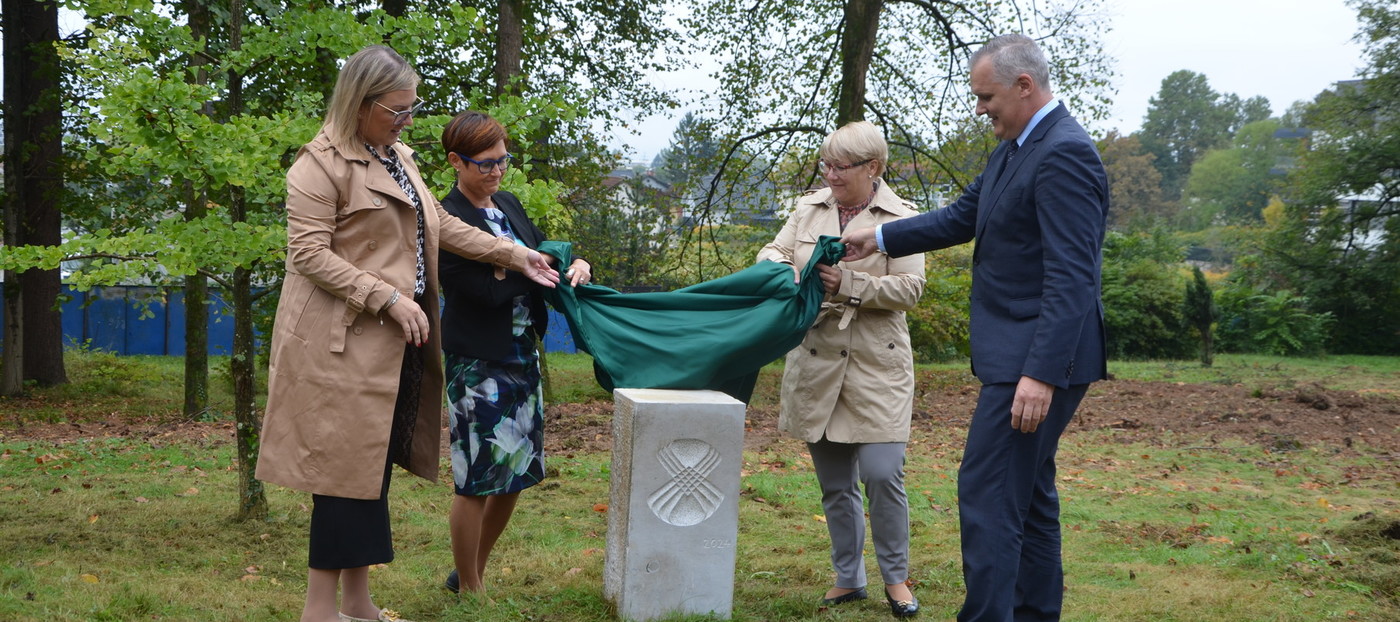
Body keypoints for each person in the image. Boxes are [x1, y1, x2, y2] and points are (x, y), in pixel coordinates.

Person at [255, 46, 558, 622]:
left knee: (368, 469)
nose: (408, 120)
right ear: (360, 103)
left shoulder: (396, 156)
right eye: (397, 110)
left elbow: (438, 224)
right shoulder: (318, 166)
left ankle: (358, 603)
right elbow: (307, 254)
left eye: (411, 107)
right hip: (340, 344)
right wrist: (388, 297)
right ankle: (319, 612)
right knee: (340, 475)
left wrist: (515, 254)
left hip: (391, 342)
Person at [842, 34, 1108, 621]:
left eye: (987, 97)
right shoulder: (1014, 149)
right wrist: (879, 237)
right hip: (1017, 355)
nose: (981, 108)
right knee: (1028, 495)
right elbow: (962, 216)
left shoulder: (1064, 153)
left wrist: (1040, 374)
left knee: (987, 492)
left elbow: (1073, 277)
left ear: (1024, 86)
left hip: (1035, 361)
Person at [757, 121, 926, 618]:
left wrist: (847, 284)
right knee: (835, 484)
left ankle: (896, 578)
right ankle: (849, 577)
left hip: (877, 364)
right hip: (817, 358)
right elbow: (774, 250)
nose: (830, 175)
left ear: (873, 167)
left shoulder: (901, 218)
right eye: (825, 165)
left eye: (841, 167)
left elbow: (910, 289)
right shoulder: (809, 207)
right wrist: (783, 270)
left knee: (882, 474)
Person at [434, 111, 590, 594]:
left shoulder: (508, 203)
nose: (498, 171)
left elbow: (545, 251)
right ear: (456, 161)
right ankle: (472, 587)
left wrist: (577, 262)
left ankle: (470, 573)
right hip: (477, 363)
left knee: (515, 472)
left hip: (522, 355)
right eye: (486, 163)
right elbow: (481, 291)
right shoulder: (447, 218)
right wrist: (527, 269)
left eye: (503, 160)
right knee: (476, 479)